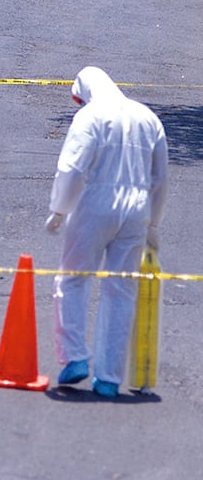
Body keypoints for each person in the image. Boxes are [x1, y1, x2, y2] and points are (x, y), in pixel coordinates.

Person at [45, 67, 168, 398]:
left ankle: (74, 357)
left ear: (84, 92)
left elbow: (72, 167)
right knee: (120, 289)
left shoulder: (89, 116)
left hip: (93, 206)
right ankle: (109, 377)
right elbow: (160, 179)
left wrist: (60, 208)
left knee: (72, 278)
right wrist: (153, 224)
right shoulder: (148, 118)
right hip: (136, 212)